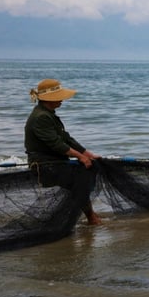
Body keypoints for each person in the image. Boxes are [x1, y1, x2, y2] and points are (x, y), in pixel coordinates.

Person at [25, 78, 102, 225]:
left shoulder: (48, 114)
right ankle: (91, 218)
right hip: (45, 165)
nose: (62, 100)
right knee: (80, 180)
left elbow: (66, 138)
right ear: (49, 99)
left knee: (81, 180)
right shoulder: (41, 117)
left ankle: (89, 217)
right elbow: (57, 144)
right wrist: (80, 157)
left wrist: (88, 155)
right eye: (59, 96)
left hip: (55, 162)